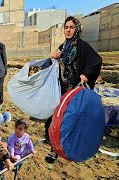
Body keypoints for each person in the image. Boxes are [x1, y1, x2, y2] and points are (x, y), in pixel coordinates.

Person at [44, 16, 102, 163]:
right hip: (61, 89)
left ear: (77, 29)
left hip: (74, 91)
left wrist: (85, 74)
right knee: (55, 118)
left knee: (70, 121)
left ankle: (70, 149)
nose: (68, 30)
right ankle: (54, 149)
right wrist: (51, 56)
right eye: (66, 27)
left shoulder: (82, 46)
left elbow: (96, 61)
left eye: (71, 27)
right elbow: (52, 63)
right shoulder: (64, 46)